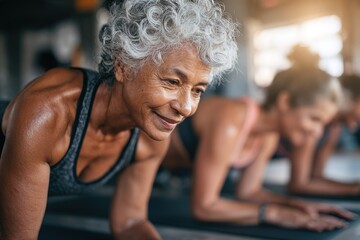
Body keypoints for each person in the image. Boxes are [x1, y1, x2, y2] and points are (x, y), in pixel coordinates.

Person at [0, 0, 238, 239]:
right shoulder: (49, 113)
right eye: (172, 82)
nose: (186, 107)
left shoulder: (151, 136)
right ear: (123, 66)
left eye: (197, 90)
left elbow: (130, 223)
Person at [162, 61, 356, 232]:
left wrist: (297, 205)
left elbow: (249, 192)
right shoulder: (233, 119)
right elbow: (204, 207)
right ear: (285, 102)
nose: (317, 132)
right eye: (314, 119)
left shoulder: (268, 137)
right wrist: (277, 214)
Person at [287, 73, 360, 196]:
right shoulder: (312, 125)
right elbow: (299, 184)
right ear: (347, 99)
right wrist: (356, 189)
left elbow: (316, 177)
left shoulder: (334, 129)